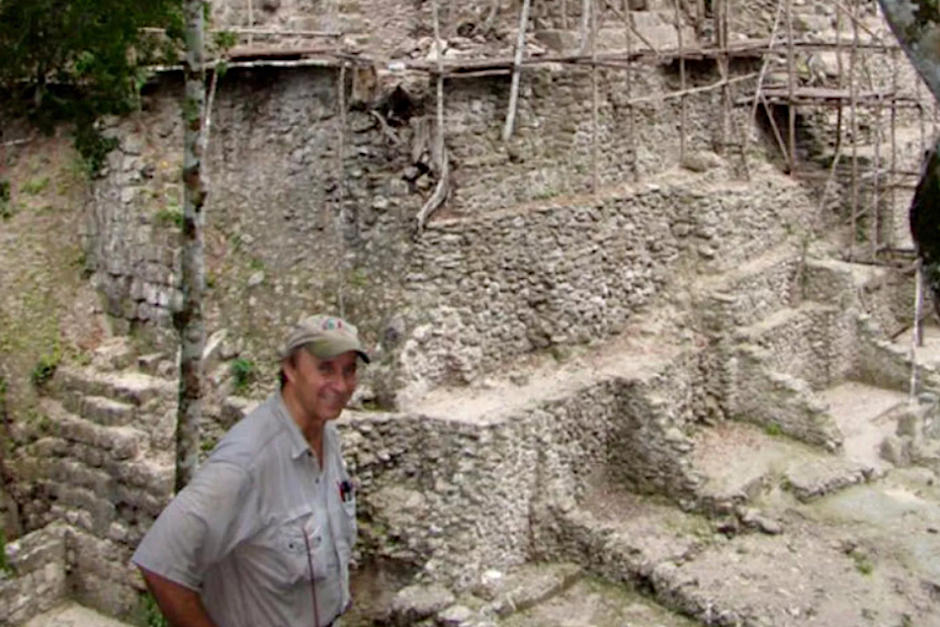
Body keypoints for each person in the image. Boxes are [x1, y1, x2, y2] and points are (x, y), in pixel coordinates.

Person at [132, 314, 368, 627]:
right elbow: (160, 563)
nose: (341, 385)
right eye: (325, 369)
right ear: (290, 369)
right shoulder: (246, 462)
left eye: (349, 370)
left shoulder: (327, 435)